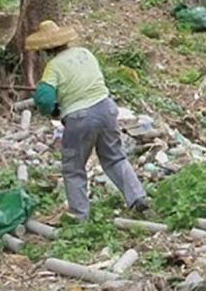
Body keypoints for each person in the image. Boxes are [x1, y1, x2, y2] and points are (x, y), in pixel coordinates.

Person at [26, 19, 149, 221]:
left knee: (73, 168)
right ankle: (137, 197)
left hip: (80, 117)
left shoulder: (53, 66)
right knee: (115, 157)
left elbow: (44, 97)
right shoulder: (85, 53)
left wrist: (52, 110)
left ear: (44, 51)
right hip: (106, 108)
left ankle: (79, 215)